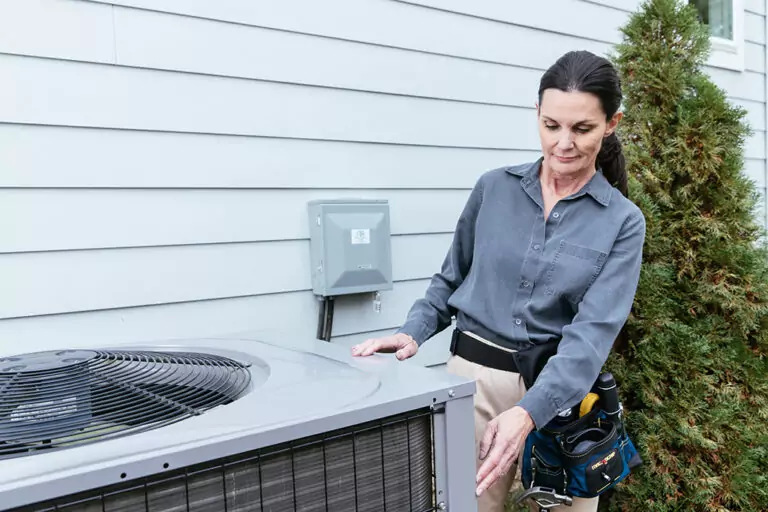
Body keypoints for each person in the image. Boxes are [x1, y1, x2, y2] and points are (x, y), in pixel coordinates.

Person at [351, 50, 646, 512]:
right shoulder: (494, 188)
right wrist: (413, 331)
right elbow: (451, 279)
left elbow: (591, 337)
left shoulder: (624, 222)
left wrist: (530, 413)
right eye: (551, 125)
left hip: (563, 397)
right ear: (537, 115)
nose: (563, 142)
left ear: (611, 123)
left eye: (582, 128)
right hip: (475, 383)